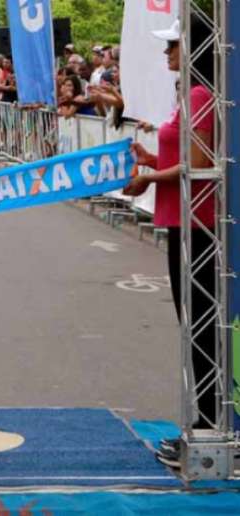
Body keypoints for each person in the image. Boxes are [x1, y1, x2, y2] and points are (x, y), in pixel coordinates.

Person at [121, 17, 216, 469]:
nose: (166, 55)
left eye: (173, 47)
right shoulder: (188, 97)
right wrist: (152, 159)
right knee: (194, 329)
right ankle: (204, 426)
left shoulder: (200, 97)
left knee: (201, 330)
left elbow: (198, 165)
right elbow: (184, 158)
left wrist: (147, 178)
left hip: (201, 226)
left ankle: (209, 432)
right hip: (185, 223)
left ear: (195, 50)